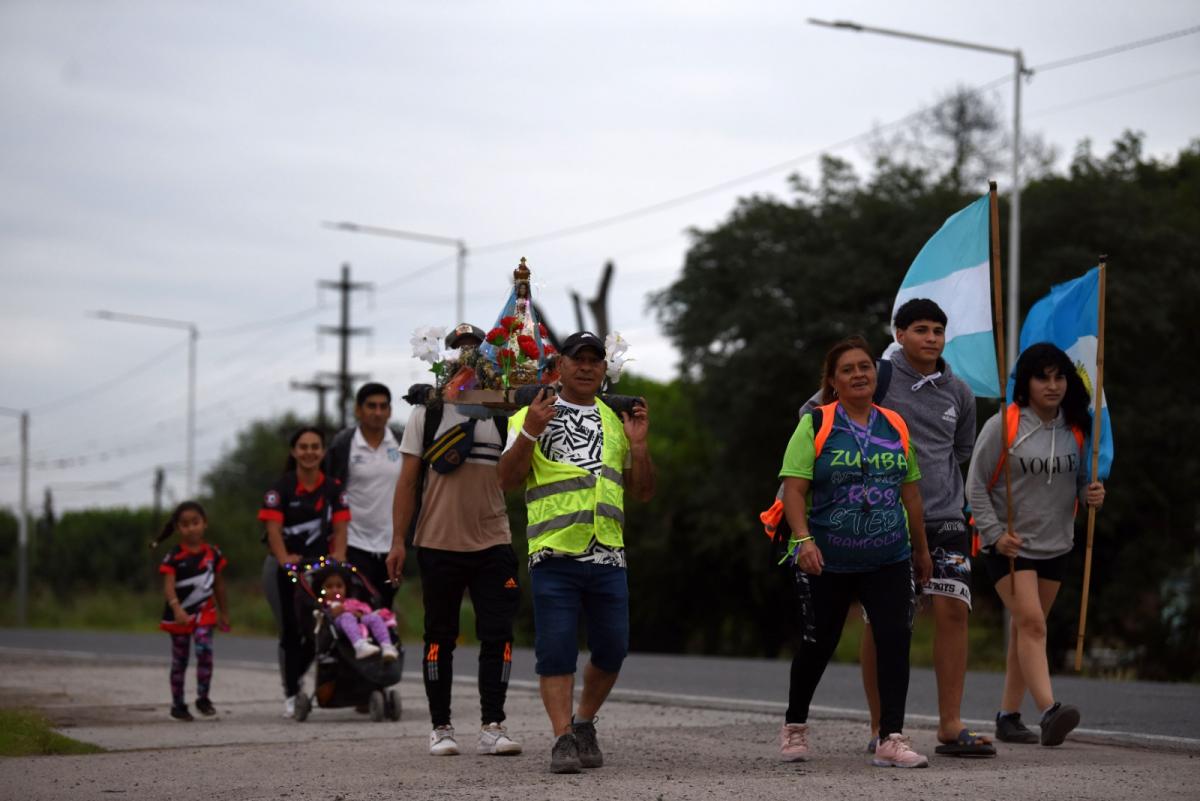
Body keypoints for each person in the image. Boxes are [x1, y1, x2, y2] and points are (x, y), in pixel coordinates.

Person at [801, 300, 988, 756]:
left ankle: (950, 724)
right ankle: (881, 727)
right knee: (886, 623)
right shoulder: (878, 376)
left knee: (953, 611)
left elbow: (959, 450)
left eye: (939, 330)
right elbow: (813, 418)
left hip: (944, 518)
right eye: (920, 329)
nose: (931, 338)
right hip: (882, 524)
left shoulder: (959, 392)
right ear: (899, 334)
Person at [498, 330, 655, 775]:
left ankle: (584, 721)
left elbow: (643, 492)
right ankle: (562, 736)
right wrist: (530, 428)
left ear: (603, 369)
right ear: (560, 366)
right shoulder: (533, 414)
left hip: (608, 554)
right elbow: (507, 480)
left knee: (613, 648)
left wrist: (640, 446)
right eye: (577, 359)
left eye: (594, 360)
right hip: (553, 553)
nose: (586, 367)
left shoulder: (614, 419)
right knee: (556, 650)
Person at [778, 335, 932, 768]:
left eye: (865, 366)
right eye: (848, 369)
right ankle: (794, 726)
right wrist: (803, 540)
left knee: (894, 639)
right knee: (818, 643)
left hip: (889, 555)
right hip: (827, 556)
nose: (859, 374)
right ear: (833, 381)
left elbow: (912, 495)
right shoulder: (816, 424)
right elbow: (794, 489)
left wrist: (921, 550)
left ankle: (891, 737)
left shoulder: (895, 425)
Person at [387, 322, 524, 757]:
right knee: (439, 636)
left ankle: (492, 725)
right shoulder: (425, 414)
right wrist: (398, 541)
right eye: (459, 348)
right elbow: (407, 483)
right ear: (446, 358)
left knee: (498, 634)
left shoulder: (502, 415)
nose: (466, 355)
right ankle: (441, 726)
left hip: (493, 542)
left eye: (474, 348)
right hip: (438, 542)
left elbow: (518, 476)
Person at [966, 342, 1105, 747]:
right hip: (1008, 546)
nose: (1053, 385)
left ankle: (1008, 716)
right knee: (1033, 625)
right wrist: (994, 534)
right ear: (1025, 382)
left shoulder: (1077, 427)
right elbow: (973, 486)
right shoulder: (1003, 425)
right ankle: (1050, 711)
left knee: (1027, 633)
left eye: (1059, 376)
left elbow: (1079, 483)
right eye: (1042, 376)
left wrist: (1092, 493)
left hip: (1057, 544)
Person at [258, 426, 350, 717]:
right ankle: (291, 693)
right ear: (294, 452)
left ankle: (300, 681)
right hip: (282, 568)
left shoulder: (334, 489)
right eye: (303, 447)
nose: (309, 452)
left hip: (318, 570)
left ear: (322, 452)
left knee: (319, 628)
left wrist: (337, 561)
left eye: (315, 447)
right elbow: (273, 532)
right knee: (289, 630)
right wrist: (286, 561)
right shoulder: (279, 490)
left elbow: (341, 530)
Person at [326, 382, 404, 611]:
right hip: (354, 541)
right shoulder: (344, 443)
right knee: (358, 607)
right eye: (371, 406)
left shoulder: (401, 441)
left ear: (390, 411)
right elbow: (330, 490)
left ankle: (386, 646)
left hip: (392, 543)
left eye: (383, 406)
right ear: (358, 410)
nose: (377, 412)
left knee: (385, 607)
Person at [156, 500, 229, 721]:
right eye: (185, 524)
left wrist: (224, 612)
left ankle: (203, 698)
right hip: (179, 616)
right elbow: (168, 586)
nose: (191, 528)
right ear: (178, 529)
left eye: (195, 522)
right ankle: (178, 705)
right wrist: (176, 609)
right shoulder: (174, 556)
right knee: (180, 661)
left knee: (204, 653)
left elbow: (218, 585)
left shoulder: (213, 554)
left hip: (205, 614)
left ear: (204, 524)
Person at [316, 565, 400, 661]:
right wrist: (331, 613)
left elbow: (365, 609)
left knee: (375, 618)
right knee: (346, 616)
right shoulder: (324, 604)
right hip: (338, 626)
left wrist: (359, 613)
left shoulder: (352, 601)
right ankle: (359, 645)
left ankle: (387, 646)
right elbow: (320, 617)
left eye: (339, 586)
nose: (335, 590)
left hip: (359, 621)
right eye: (329, 586)